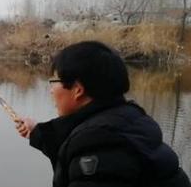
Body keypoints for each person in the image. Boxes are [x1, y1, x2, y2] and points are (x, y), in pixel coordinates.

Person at [15, 41, 190, 187]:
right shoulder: (129, 120)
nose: (51, 90)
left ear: (78, 89)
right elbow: (76, 140)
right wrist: (37, 132)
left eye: (54, 81)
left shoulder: (100, 146)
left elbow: (91, 149)